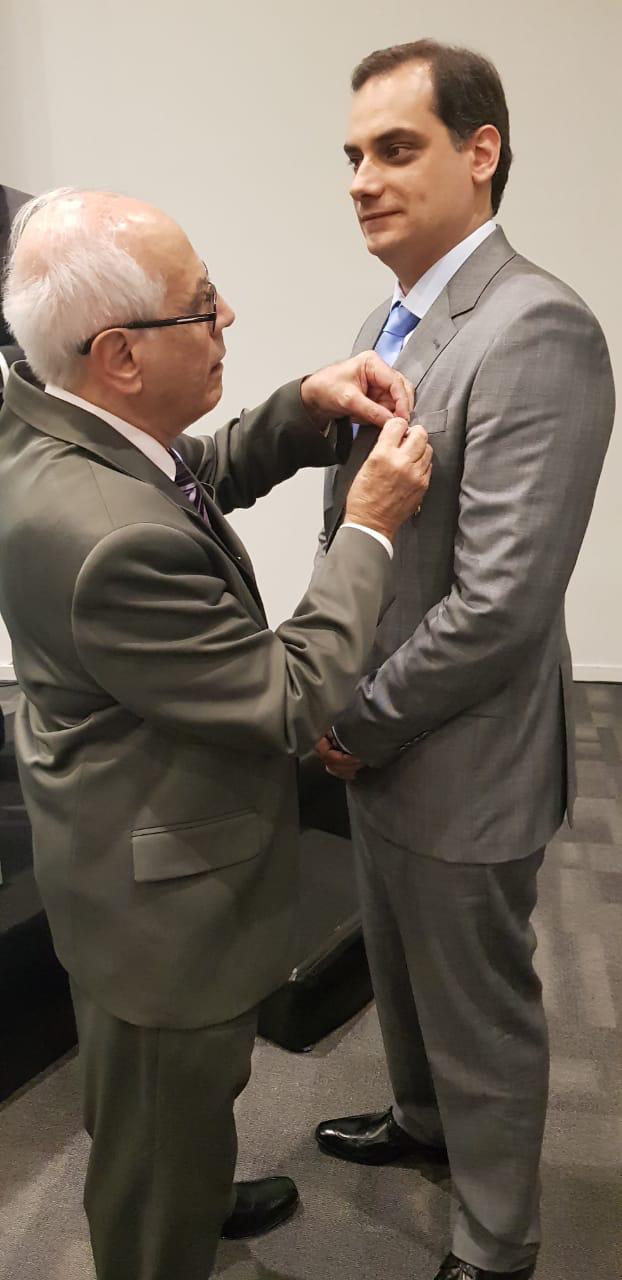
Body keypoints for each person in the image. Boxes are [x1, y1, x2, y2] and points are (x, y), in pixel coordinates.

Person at [0, 187, 432, 1280]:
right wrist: (370, 529)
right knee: (153, 1146)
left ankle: (194, 1181)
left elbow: (180, 482)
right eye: (201, 306)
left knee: (177, 1104)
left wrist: (301, 409)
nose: (227, 315)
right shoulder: (104, 542)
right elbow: (289, 694)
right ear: (120, 356)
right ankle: (166, 1229)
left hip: (115, 852)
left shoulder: (51, 417)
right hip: (160, 909)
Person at [313, 39, 615, 1280]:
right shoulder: (391, 319)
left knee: (479, 1001)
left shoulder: (536, 329)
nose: (361, 179)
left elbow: (499, 605)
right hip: (385, 726)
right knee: (397, 958)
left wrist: (355, 719)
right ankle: (421, 1119)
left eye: (396, 148)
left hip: (460, 746)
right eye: (352, 155)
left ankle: (497, 1240)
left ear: (480, 152)